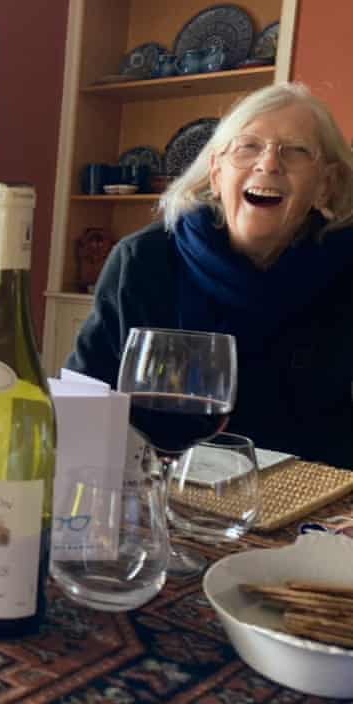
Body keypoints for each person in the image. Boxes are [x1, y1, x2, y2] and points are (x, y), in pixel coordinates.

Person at [68, 82, 353, 469]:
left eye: (296, 150)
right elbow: (84, 398)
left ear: (327, 183)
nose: (268, 163)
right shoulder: (144, 260)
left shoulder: (344, 270)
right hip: (158, 486)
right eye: (247, 146)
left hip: (312, 505)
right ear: (216, 173)